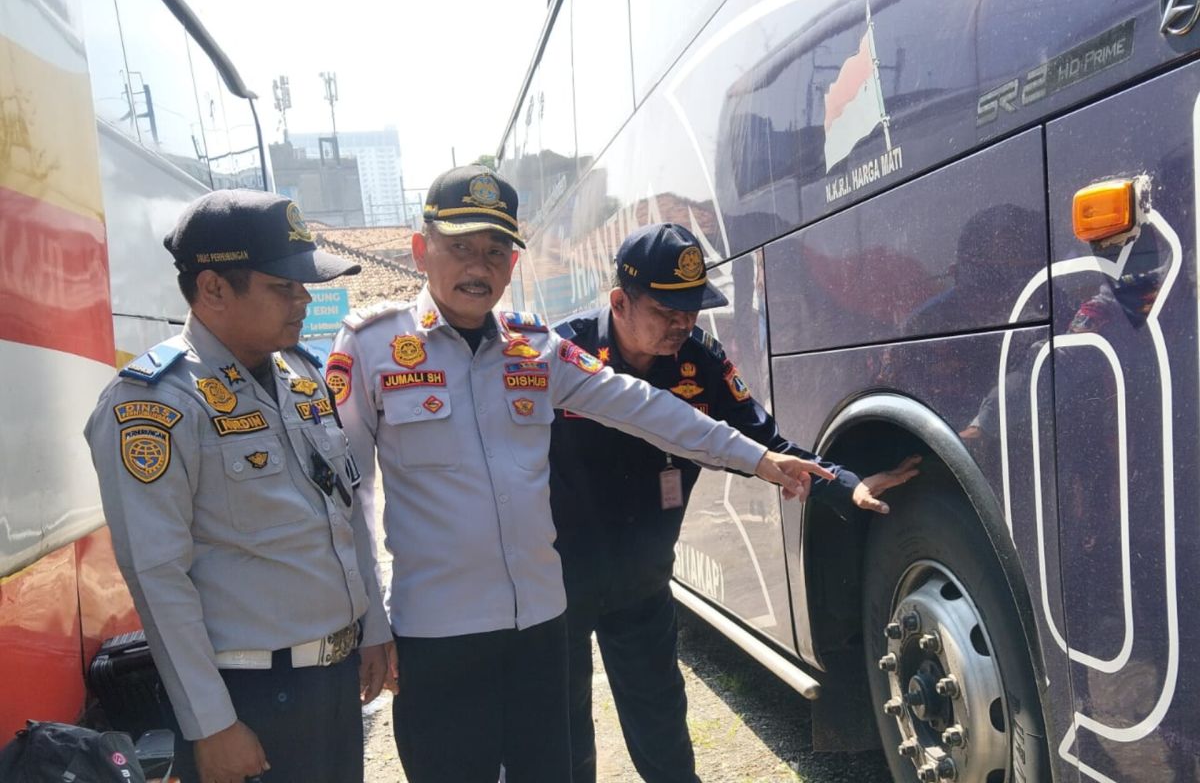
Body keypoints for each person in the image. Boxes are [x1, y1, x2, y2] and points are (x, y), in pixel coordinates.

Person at [328, 165, 830, 783]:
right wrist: (369, 624)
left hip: (540, 628)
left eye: (494, 251)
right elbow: (347, 498)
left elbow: (646, 408)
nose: (477, 266)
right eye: (459, 248)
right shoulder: (372, 347)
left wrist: (759, 458)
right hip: (437, 635)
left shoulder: (534, 349)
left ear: (512, 265)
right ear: (420, 250)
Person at [549, 222, 923, 783]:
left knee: (663, 729)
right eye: (667, 311)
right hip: (557, 579)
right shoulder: (561, 354)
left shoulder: (699, 360)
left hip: (642, 578)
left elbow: (764, 442)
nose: (683, 325)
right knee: (562, 733)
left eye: (692, 310)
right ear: (620, 303)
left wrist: (846, 482)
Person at [84, 190, 393, 783]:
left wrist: (372, 630)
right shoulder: (155, 402)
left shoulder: (300, 375)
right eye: (283, 285)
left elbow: (345, 513)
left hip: (332, 682)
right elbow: (157, 575)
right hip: (246, 699)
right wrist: (212, 723)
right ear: (213, 289)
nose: (304, 298)